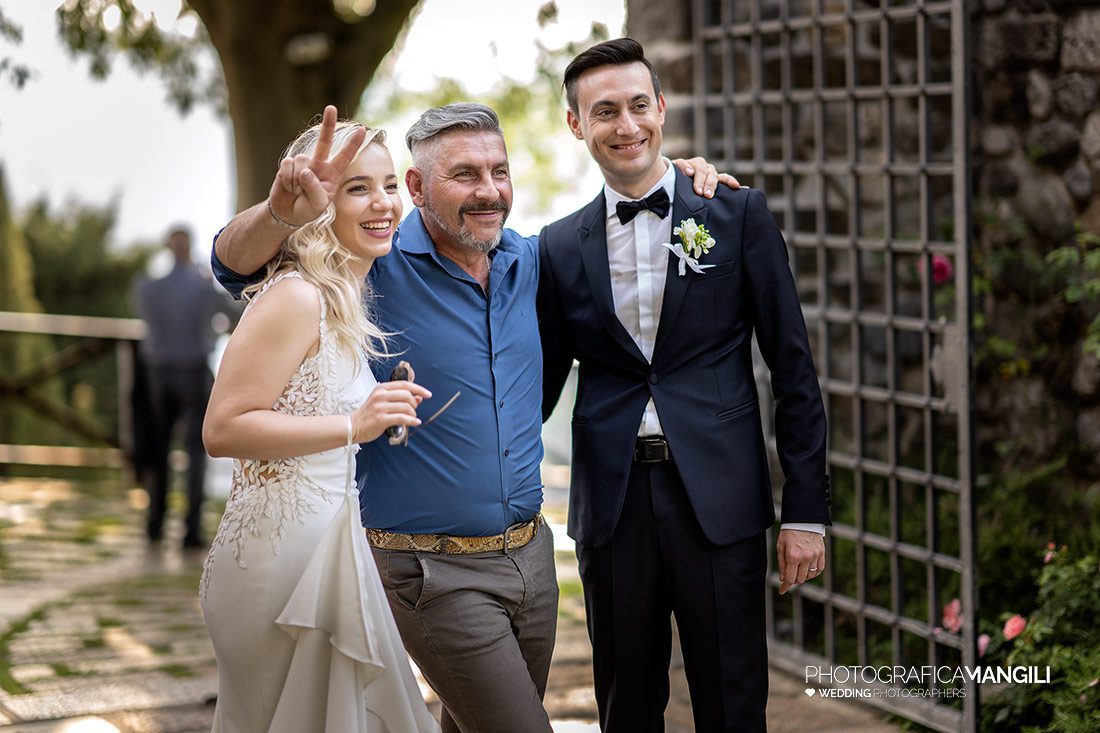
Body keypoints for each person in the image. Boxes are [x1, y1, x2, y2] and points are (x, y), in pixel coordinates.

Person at [211, 103, 729, 732]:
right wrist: (278, 215)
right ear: (418, 187)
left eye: (499, 171)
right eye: (465, 175)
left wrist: (677, 184)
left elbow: (625, 243)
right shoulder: (371, 260)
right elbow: (234, 266)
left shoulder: (535, 261)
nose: (489, 190)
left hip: (530, 558)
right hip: (427, 567)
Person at [537, 38, 832, 732]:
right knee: (626, 708)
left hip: (721, 501)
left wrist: (806, 512)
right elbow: (539, 385)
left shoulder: (735, 214)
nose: (627, 125)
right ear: (577, 125)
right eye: (604, 111)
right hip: (613, 508)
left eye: (640, 105)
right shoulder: (554, 246)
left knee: (734, 706)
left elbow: (793, 371)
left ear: (662, 108)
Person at [198, 119, 439, 732]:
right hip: (277, 566)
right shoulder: (296, 296)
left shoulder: (344, 295)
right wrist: (354, 424)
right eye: (358, 188)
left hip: (332, 546)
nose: (383, 203)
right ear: (319, 198)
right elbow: (222, 429)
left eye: (389, 185)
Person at [135, 226, 237, 548]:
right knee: (195, 452)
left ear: (168, 248)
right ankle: (191, 530)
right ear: (189, 248)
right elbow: (234, 317)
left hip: (157, 374)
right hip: (193, 372)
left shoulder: (148, 287)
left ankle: (155, 523)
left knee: (159, 449)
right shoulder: (204, 286)